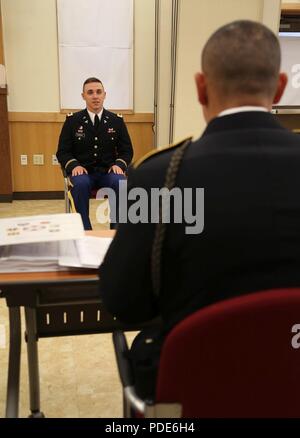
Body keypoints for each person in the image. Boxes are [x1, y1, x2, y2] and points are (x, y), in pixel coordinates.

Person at [99, 20, 300, 399]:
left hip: (197, 394)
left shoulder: (160, 176)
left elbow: (123, 302)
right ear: (279, 88)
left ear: (200, 87)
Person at [56, 77, 133, 230]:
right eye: (90, 92)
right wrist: (74, 165)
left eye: (99, 92)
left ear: (105, 94)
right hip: (83, 172)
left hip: (108, 172)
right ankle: (85, 231)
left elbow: (127, 150)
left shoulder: (116, 121)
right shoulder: (73, 121)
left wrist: (119, 165)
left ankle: (117, 232)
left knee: (121, 183)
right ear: (83, 96)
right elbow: (63, 151)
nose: (95, 96)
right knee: (80, 184)